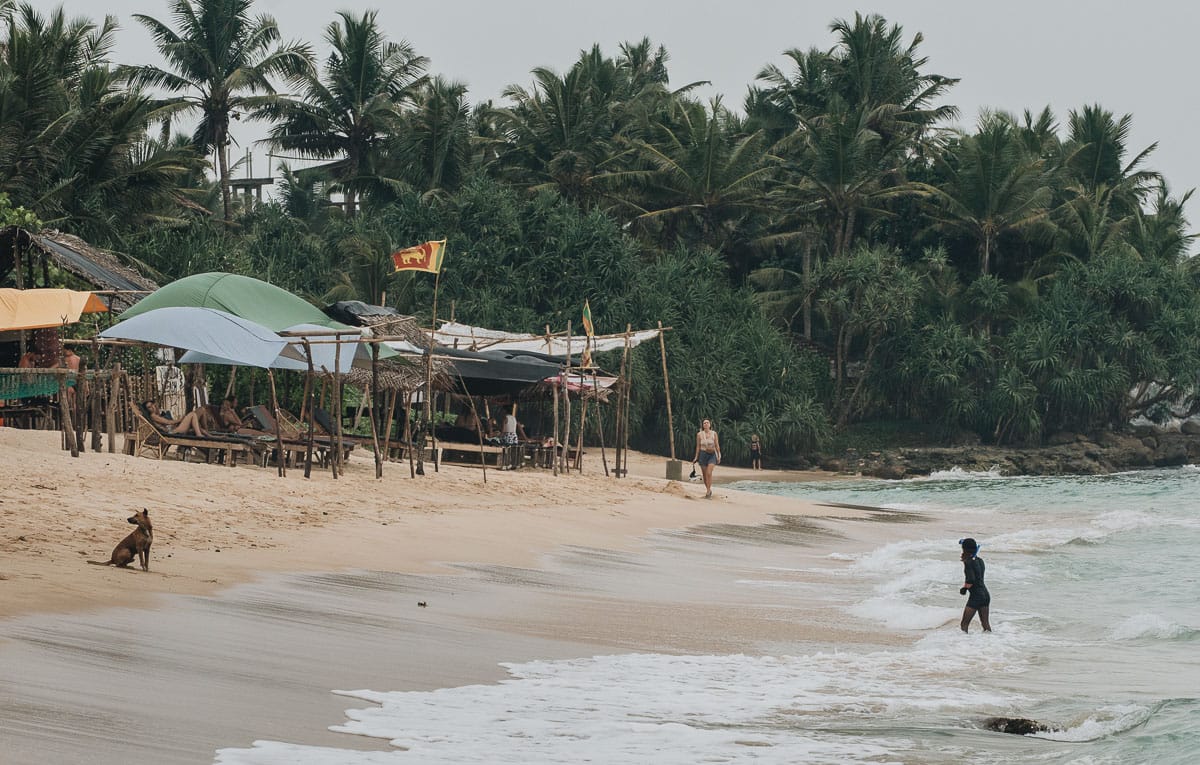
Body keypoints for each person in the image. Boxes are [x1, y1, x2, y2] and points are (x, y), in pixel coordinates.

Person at [958, 537, 992, 633]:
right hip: (985, 595)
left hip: (976, 596)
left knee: (964, 624)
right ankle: (991, 640)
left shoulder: (968, 562)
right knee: (985, 624)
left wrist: (964, 588)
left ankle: (963, 642)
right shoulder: (980, 560)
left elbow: (971, 579)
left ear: (964, 549)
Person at [144, 399, 208, 437]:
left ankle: (209, 435)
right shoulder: (153, 416)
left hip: (175, 427)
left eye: (152, 405)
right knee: (192, 414)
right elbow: (168, 422)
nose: (152, 407)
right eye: (149, 407)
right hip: (174, 431)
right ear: (147, 410)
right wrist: (181, 419)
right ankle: (199, 435)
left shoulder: (157, 414)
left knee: (201, 409)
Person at [693, 418, 721, 498]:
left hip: (712, 455)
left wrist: (719, 455)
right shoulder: (699, 434)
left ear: (710, 424)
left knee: (709, 473)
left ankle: (708, 492)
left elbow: (717, 445)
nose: (706, 424)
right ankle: (708, 490)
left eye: (707, 422)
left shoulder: (714, 433)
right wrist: (696, 457)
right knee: (705, 475)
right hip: (703, 454)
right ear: (703, 425)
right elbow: (698, 447)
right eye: (704, 423)